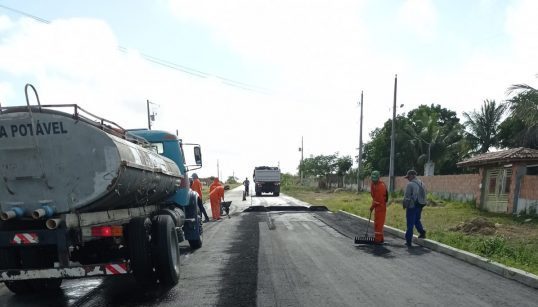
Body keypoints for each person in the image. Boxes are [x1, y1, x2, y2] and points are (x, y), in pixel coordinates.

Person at [402, 169, 427, 247]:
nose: (408, 179)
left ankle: (408, 241)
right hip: (420, 204)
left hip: (412, 206)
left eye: (408, 177)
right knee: (416, 220)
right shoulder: (422, 183)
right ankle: (422, 232)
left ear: (412, 175)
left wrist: (405, 205)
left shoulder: (410, 184)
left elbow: (407, 197)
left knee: (410, 223)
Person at [369, 170, 388, 244]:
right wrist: (373, 205)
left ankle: (378, 239)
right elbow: (374, 197)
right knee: (377, 223)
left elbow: (378, 200)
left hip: (381, 207)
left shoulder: (381, 187)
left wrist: (372, 206)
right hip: (377, 206)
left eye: (375, 180)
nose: (373, 181)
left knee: (379, 224)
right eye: (372, 179)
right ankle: (381, 238)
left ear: (378, 178)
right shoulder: (373, 184)